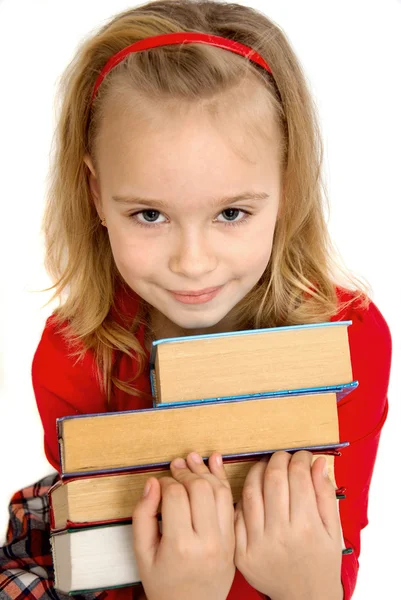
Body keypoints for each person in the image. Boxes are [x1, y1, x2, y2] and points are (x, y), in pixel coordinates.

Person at [0, 1, 392, 599]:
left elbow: (338, 547)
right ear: (96, 194)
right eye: (149, 214)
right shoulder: (74, 352)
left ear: (286, 185)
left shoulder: (349, 338)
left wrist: (308, 588)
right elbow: (100, 562)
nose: (192, 262)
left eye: (231, 213)